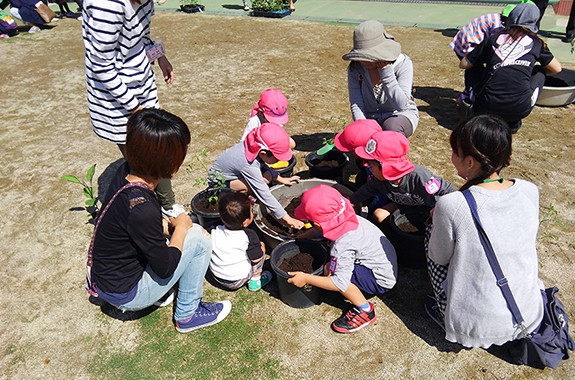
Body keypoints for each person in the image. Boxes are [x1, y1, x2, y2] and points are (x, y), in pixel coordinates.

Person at [89, 108, 231, 333]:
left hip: (106, 278)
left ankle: (160, 293)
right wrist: (182, 228)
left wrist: (168, 227)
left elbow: (138, 230)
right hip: (126, 294)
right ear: (169, 163)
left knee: (180, 231)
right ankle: (188, 314)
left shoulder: (125, 173)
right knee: (198, 238)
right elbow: (166, 268)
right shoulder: (141, 207)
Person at [425, 114, 544, 348]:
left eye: (454, 152)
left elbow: (438, 257)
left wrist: (437, 221)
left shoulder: (452, 204)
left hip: (479, 327)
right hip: (528, 313)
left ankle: (444, 309)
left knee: (431, 237)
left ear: (470, 162)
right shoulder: (529, 190)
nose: (451, 158)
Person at [83, 0, 182, 216]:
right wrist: (135, 108)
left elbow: (141, 35)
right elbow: (100, 64)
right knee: (146, 158)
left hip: (141, 89)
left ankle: (167, 205)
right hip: (118, 100)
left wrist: (160, 56)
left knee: (158, 149)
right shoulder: (106, 5)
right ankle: (154, 211)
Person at [288, 185, 398, 333]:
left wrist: (306, 278)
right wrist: (302, 237)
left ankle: (366, 310)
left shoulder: (342, 244)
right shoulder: (348, 218)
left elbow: (340, 282)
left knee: (331, 272)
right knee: (330, 268)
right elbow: (319, 229)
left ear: (317, 224)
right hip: (384, 263)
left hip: (380, 279)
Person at [460, 3, 562, 133]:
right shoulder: (537, 44)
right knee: (540, 70)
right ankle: (512, 121)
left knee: (473, 67)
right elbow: (557, 69)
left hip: (485, 106)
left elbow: (464, 64)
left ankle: (474, 98)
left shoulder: (493, 39)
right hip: (519, 108)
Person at [209, 122, 305, 230]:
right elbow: (263, 192)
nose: (280, 160)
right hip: (219, 184)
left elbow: (263, 165)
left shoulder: (254, 146)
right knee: (258, 185)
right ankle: (243, 197)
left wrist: (281, 179)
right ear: (264, 154)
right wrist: (288, 218)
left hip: (234, 175)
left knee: (266, 176)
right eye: (278, 158)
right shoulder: (247, 164)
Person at [350, 130, 456, 224]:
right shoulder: (379, 180)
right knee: (378, 215)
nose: (367, 167)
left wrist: (439, 210)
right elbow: (366, 191)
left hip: (427, 207)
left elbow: (449, 190)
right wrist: (351, 202)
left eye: (370, 164)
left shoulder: (420, 177)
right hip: (403, 205)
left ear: (385, 167)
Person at [342, 20, 419, 138]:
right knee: (356, 135)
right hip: (370, 118)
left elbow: (402, 105)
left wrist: (386, 73)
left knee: (392, 128)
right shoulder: (355, 68)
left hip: (398, 115)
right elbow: (356, 103)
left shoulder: (403, 63)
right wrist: (363, 126)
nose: (363, 61)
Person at [449, 2, 526, 104]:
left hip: (463, 41)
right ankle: (468, 96)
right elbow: (496, 48)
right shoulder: (499, 26)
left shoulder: (497, 18)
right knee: (474, 69)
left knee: (475, 70)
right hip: (468, 45)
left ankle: (470, 91)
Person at [209, 192, 273, 291]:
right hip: (236, 280)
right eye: (251, 211)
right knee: (261, 249)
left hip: (217, 276)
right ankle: (255, 280)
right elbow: (256, 259)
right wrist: (262, 247)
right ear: (245, 222)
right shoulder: (249, 235)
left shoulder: (214, 229)